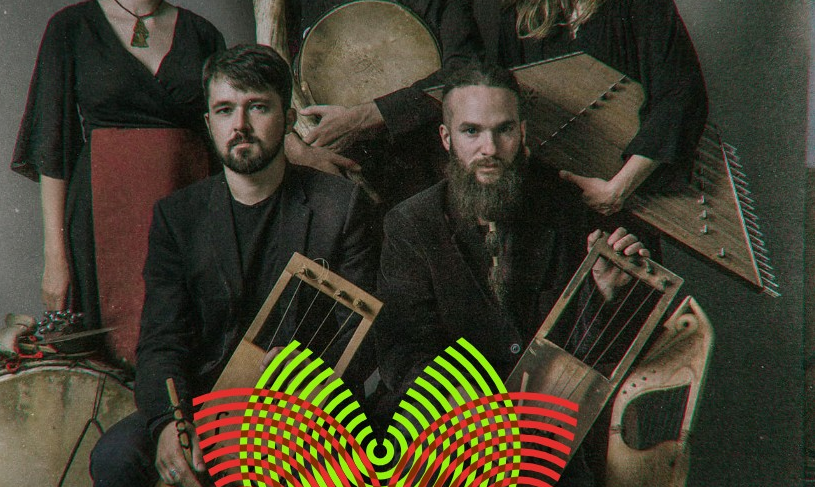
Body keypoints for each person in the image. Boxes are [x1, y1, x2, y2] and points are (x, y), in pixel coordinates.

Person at [89, 44, 379, 487]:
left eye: (257, 107)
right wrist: (170, 424)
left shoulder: (340, 206)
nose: (239, 125)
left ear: (286, 118)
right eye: (224, 110)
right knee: (115, 458)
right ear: (209, 124)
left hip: (305, 405)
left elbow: (360, 340)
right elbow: (161, 340)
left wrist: (302, 375)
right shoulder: (177, 216)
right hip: (208, 403)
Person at [374, 64, 651, 486]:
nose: (489, 148)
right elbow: (402, 351)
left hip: (542, 434)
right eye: (471, 132)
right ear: (447, 138)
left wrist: (603, 293)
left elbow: (580, 361)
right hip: (445, 428)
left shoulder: (565, 215)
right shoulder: (410, 225)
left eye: (503, 130)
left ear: (522, 133)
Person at [11, 0, 225, 333]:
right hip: (101, 216)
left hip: (186, 212)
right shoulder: (71, 27)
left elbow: (228, 134)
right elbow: (53, 150)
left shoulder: (202, 34)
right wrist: (55, 256)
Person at [458, 0, 709, 216]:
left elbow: (681, 95)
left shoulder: (638, 4)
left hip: (625, 193)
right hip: (549, 198)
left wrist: (618, 188)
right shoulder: (518, 17)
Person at [277, 0, 481, 208]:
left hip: (420, 169)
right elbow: (269, 81)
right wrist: (294, 149)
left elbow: (465, 72)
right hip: (329, 173)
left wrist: (367, 116)